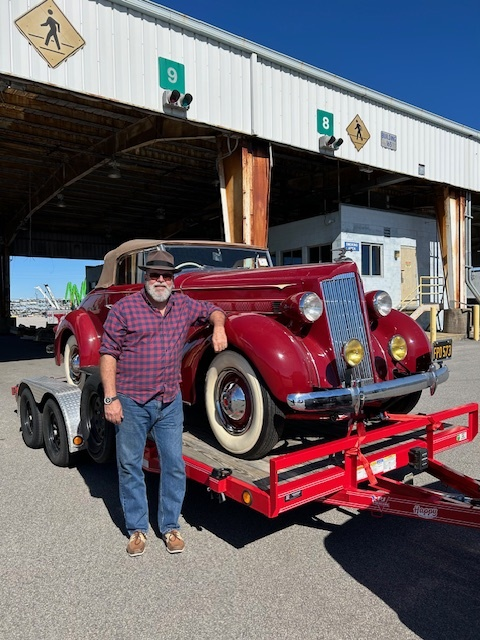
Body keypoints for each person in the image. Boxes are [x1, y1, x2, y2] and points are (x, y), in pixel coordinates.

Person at [99, 249, 227, 557]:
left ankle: (170, 527)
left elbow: (215, 310)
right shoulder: (125, 309)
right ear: (145, 277)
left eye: (166, 276)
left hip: (169, 400)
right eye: (154, 275)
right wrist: (110, 398)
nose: (160, 280)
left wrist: (219, 326)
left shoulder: (182, 304)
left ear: (173, 279)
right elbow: (108, 354)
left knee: (174, 465)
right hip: (131, 401)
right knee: (130, 465)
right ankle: (137, 530)